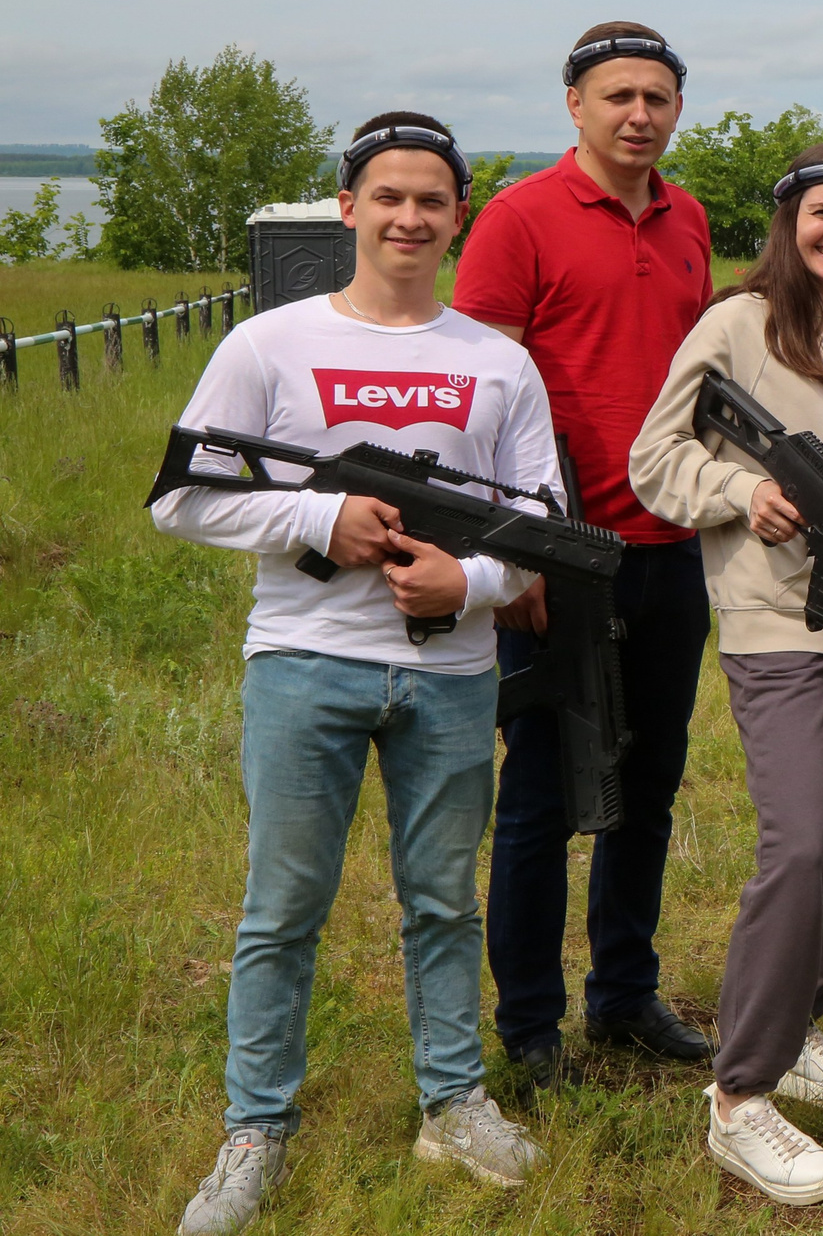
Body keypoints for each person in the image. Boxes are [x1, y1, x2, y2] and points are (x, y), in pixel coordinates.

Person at [157, 115, 551, 1236]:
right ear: (349, 209)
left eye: (432, 200)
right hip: (302, 665)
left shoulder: (496, 361)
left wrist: (464, 583)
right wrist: (320, 514)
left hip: (452, 676)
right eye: (388, 196)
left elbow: (540, 526)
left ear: (457, 215)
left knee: (441, 902)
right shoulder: (267, 345)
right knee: (281, 911)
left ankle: (452, 1102)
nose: (409, 218)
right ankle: (255, 1129)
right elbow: (182, 495)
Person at [627, 145, 823, 1206]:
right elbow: (651, 461)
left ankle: (797, 1030)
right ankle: (741, 1096)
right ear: (789, 221)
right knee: (796, 846)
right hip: (781, 632)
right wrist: (738, 494)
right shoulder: (734, 325)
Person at [452, 22, 716, 1086]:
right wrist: (512, 558)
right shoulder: (519, 218)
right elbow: (476, 394)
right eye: (618, 96)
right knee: (544, 796)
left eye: (656, 97)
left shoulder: (691, 218)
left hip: (674, 545)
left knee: (648, 783)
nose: (638, 114)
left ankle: (624, 996)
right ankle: (529, 1026)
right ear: (574, 104)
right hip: (562, 556)